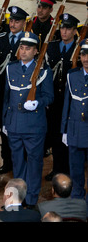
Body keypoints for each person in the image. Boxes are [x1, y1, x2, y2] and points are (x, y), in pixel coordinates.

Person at [2, 32, 54, 208]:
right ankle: (18, 197)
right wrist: (5, 121)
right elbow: (7, 98)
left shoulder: (44, 70)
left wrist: (38, 103)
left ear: (36, 51)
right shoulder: (11, 67)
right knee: (17, 161)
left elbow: (49, 96)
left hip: (34, 124)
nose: (23, 52)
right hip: (14, 122)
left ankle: (31, 199)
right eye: (21, 48)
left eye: (28, 48)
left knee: (34, 162)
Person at [0, 6, 29, 175]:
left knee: (19, 128)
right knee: (4, 127)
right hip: (2, 90)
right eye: (11, 21)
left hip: (19, 91)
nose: (13, 24)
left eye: (17, 21)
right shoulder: (0, 38)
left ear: (24, 23)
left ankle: (20, 162)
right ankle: (6, 160)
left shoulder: (27, 41)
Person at [44, 13, 79, 181]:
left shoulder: (79, 50)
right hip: (55, 100)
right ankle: (57, 169)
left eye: (68, 28)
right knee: (56, 136)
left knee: (70, 137)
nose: (64, 32)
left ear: (74, 31)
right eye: (62, 28)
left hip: (71, 100)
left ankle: (69, 170)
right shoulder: (52, 47)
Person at [61, 38, 88, 210]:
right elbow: (67, 105)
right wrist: (64, 130)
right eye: (84, 54)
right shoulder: (73, 75)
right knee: (76, 170)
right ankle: (78, 200)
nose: (86, 58)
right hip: (76, 129)